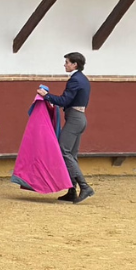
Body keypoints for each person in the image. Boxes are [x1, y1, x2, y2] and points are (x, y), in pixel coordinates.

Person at [38, 52, 95, 204]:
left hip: (75, 118)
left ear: (75, 64)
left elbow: (64, 100)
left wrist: (46, 95)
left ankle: (84, 186)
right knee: (71, 155)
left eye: (67, 62)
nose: (65, 64)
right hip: (79, 118)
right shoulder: (82, 79)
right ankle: (72, 190)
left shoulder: (74, 80)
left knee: (64, 151)